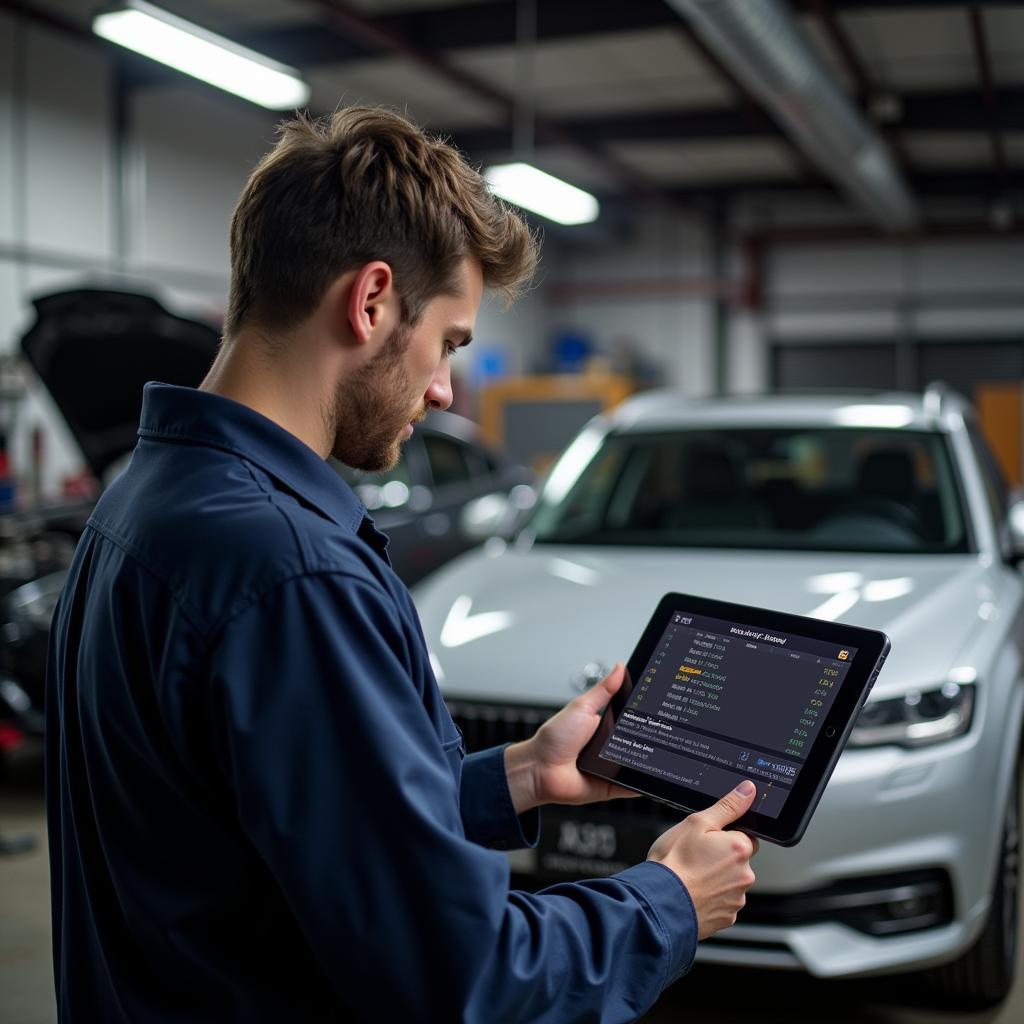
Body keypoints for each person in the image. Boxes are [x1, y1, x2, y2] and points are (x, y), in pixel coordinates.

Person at [46, 106, 757, 1023]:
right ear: (371, 299)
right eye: (450, 342)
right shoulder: (293, 572)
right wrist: (666, 901)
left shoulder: (142, 500)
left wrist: (519, 777)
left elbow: (274, 826)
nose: (443, 389)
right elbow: (458, 982)